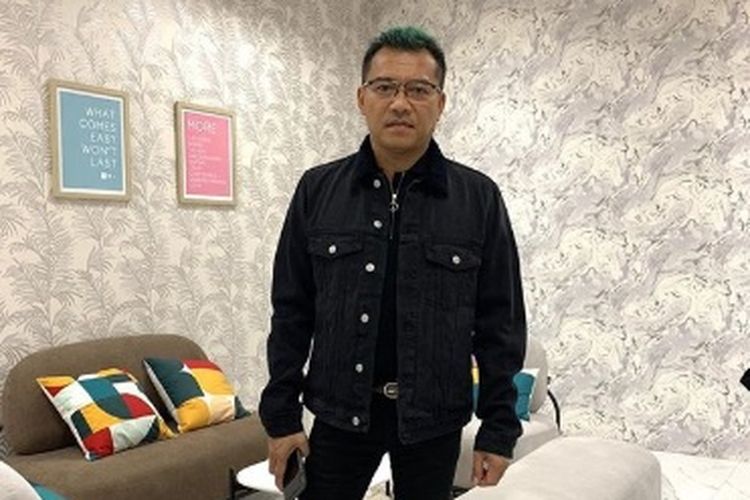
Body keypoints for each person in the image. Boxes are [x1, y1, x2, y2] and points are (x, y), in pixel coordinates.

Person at [259, 26, 527, 500]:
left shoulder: (479, 198)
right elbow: (291, 312)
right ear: (362, 98)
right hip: (339, 413)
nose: (400, 103)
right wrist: (282, 417)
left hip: (433, 420)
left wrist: (498, 428)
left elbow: (500, 325)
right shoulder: (317, 190)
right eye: (385, 87)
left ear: (440, 103)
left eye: (418, 90)